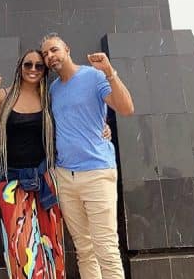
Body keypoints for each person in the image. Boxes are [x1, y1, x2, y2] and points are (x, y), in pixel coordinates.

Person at [40, 33, 135, 279]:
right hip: (65, 176)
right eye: (45, 54)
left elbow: (125, 108)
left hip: (96, 173)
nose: (50, 57)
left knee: (106, 248)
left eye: (54, 50)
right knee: (84, 249)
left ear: (67, 49)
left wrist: (110, 72)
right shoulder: (53, 89)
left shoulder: (94, 76)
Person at [0, 50, 65, 279]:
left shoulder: (49, 98)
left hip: (44, 182)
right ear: (20, 66)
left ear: (45, 70)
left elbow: (73, 122)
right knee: (22, 253)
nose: (33, 69)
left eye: (39, 66)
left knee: (52, 248)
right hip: (12, 184)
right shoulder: (3, 96)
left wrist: (103, 130)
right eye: (28, 65)